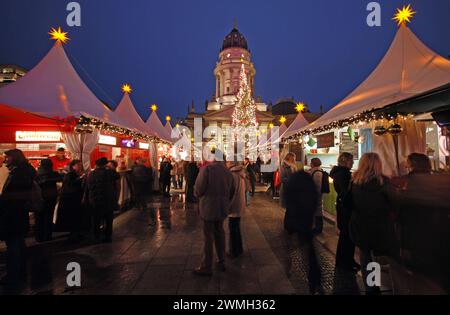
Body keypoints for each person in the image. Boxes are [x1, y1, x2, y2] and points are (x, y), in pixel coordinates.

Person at [349, 153, 392, 295]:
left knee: (366, 257)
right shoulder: (383, 182)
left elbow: (350, 203)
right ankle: (375, 287)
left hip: (360, 225)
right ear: (378, 164)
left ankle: (371, 289)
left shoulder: (355, 181)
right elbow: (393, 203)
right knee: (375, 257)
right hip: (378, 225)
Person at [193, 150, 235, 276]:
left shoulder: (207, 170)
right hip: (222, 207)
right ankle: (221, 261)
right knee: (220, 233)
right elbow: (232, 191)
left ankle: (206, 266)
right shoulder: (228, 172)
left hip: (208, 207)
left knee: (208, 236)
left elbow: (198, 190)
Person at [0, 149, 36, 288]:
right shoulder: (24, 171)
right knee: (18, 244)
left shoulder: (18, 173)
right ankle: (19, 272)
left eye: (7, 157)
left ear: (14, 158)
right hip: (19, 214)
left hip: (13, 215)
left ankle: (13, 276)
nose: (5, 160)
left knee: (13, 246)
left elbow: (11, 197)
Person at [283, 169, 322, 294]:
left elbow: (286, 201)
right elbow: (315, 201)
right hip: (306, 221)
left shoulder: (291, 183)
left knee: (289, 246)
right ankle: (314, 279)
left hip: (292, 220)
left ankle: (288, 267)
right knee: (309, 250)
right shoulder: (309, 184)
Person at [330, 153, 360, 272]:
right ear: (345, 161)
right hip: (346, 208)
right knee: (346, 236)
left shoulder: (340, 173)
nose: (353, 162)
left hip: (343, 207)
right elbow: (346, 192)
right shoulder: (343, 174)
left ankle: (347, 260)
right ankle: (344, 263)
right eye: (351, 160)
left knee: (346, 236)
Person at [87, 157, 116, 243]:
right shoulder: (109, 173)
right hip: (107, 199)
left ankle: (96, 237)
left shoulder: (91, 174)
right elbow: (117, 176)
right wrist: (111, 168)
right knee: (108, 219)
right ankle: (108, 236)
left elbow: (89, 186)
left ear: (96, 164)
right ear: (105, 164)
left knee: (96, 219)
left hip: (95, 199)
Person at [56, 160, 85, 242]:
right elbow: (70, 185)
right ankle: (73, 235)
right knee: (72, 217)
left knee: (75, 217)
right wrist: (81, 178)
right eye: (78, 165)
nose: (80, 166)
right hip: (70, 199)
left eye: (81, 165)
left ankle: (75, 233)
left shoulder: (75, 174)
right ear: (73, 166)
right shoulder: (70, 174)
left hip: (73, 199)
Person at [35, 159, 62, 242]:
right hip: (51, 197)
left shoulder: (37, 174)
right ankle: (47, 235)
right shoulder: (53, 174)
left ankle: (39, 236)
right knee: (48, 216)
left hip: (39, 197)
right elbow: (60, 179)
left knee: (39, 217)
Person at [227, 161, 249, 258]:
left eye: (228, 161)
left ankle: (234, 251)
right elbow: (247, 188)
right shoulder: (241, 173)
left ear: (232, 163)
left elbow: (229, 191)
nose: (226, 163)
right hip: (240, 203)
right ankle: (239, 248)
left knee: (233, 228)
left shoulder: (232, 175)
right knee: (236, 227)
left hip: (233, 204)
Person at [309, 158, 325, 234]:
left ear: (313, 163)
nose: (310, 164)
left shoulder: (317, 173)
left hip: (316, 195)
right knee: (316, 210)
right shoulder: (316, 171)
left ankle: (319, 228)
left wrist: (315, 195)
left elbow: (317, 186)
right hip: (314, 195)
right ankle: (316, 227)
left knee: (318, 211)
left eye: (311, 162)